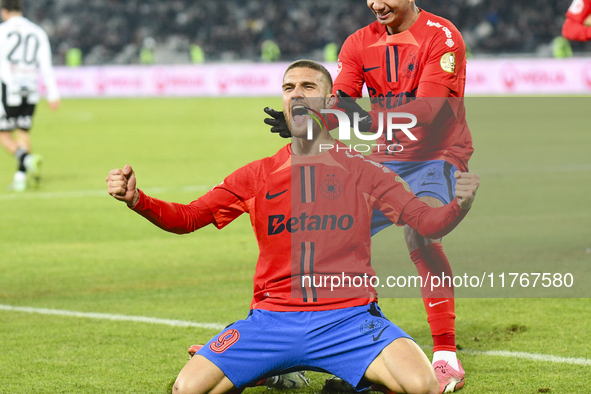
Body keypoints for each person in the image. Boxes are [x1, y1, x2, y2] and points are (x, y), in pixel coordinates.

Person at [107, 60, 479, 394]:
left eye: (308, 87)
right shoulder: (257, 175)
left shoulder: (367, 173)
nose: (296, 94)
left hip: (348, 319)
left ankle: (332, 379)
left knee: (423, 386)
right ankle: (273, 368)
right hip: (271, 322)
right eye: (288, 88)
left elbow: (426, 222)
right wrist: (138, 200)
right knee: (187, 389)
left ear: (331, 103)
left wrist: (458, 206)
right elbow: (187, 218)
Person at [265, 1, 472, 392]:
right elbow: (341, 99)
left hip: (438, 153)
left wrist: (354, 119)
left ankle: (445, 355)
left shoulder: (442, 37)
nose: (377, 3)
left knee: (420, 231)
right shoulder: (358, 43)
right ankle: (280, 351)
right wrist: (307, 118)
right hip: (387, 155)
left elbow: (425, 113)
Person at [0, 0, 60, 191]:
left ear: (4, 11)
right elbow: (45, 65)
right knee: (23, 131)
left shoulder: (2, 31)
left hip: (9, 88)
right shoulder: (37, 32)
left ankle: (26, 159)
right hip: (30, 88)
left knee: (3, 133)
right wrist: (52, 93)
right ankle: (20, 176)